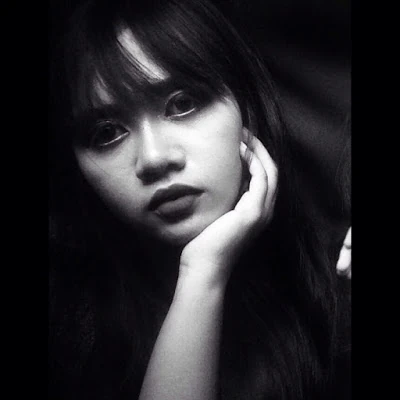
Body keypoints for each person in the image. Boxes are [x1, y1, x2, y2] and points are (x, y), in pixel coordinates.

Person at [48, 0, 351, 399]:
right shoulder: (66, 316)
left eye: (182, 104)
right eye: (106, 133)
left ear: (247, 106)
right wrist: (203, 272)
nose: (154, 158)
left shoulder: (338, 276)